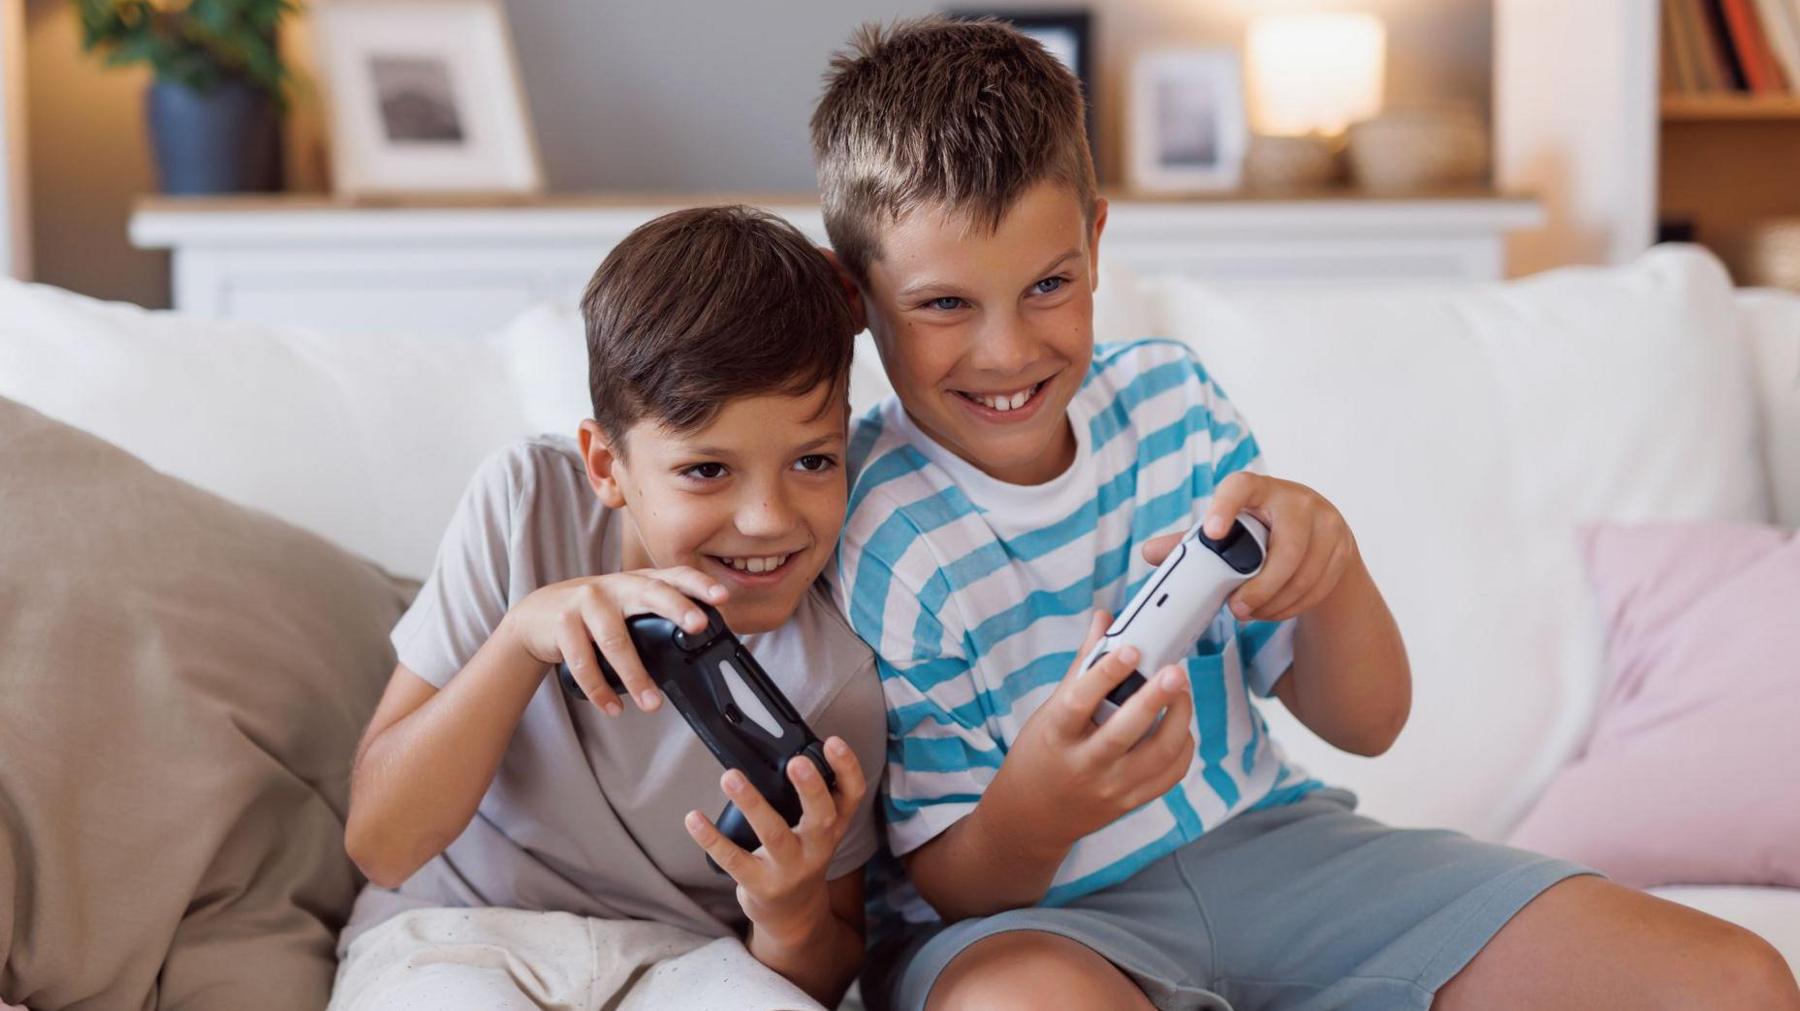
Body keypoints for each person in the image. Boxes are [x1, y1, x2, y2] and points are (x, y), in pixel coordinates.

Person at [813, 17, 1800, 1011]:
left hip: (1273, 850)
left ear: (1097, 243)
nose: (1006, 351)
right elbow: (953, 883)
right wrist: (1042, 804)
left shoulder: (1171, 405)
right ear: (858, 295)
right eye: (945, 306)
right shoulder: (871, 519)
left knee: (1736, 980)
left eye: (1049, 285)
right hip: (1019, 926)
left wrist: (1334, 574)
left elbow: (1369, 723)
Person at [329, 205, 885, 1011]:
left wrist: (790, 914)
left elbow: (825, 967)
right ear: (605, 463)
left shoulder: (843, 660)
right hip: (455, 930)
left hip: (689, 962)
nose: (769, 518)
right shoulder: (525, 505)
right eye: (706, 470)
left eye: (812, 459)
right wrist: (522, 639)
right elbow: (380, 844)